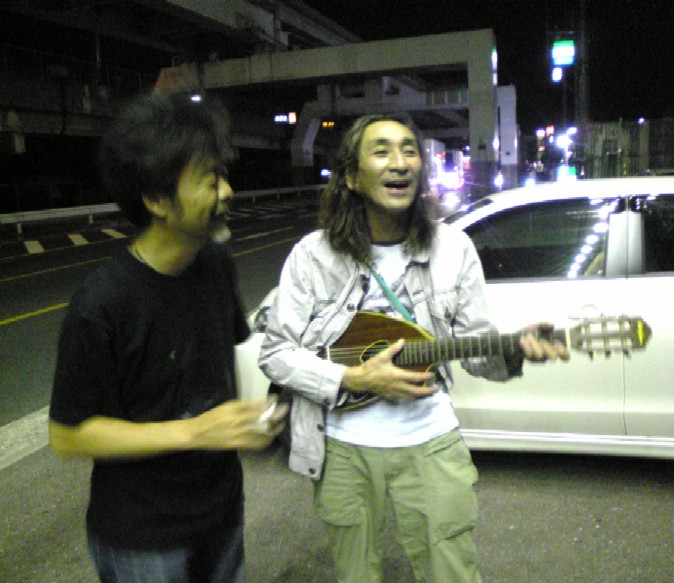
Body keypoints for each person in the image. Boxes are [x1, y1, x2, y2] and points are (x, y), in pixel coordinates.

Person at [258, 114, 569, 583]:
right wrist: (354, 378)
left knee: (452, 572)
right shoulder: (312, 255)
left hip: (431, 441)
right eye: (381, 151)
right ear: (351, 176)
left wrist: (515, 351)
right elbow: (276, 353)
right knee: (356, 575)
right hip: (341, 448)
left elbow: (477, 352)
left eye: (409, 150)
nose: (399, 162)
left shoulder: (454, 249)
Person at [48, 90, 286, 583]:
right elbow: (68, 434)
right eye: (209, 180)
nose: (227, 192)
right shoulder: (101, 304)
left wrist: (258, 415)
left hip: (222, 513)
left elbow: (228, 364)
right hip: (143, 539)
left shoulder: (215, 264)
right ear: (156, 199)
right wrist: (196, 432)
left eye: (224, 175)